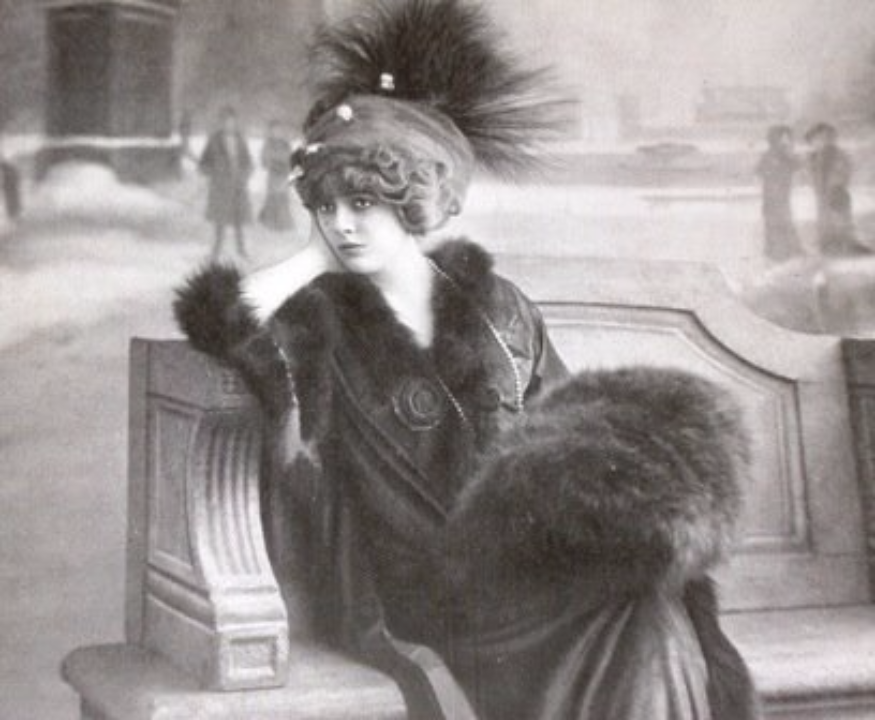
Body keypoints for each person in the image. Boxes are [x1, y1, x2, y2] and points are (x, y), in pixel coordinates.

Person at [174, 2, 759, 719]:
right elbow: (232, 331)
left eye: (364, 201)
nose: (343, 224)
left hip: (527, 572)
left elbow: (567, 438)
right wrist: (310, 262)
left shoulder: (503, 310)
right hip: (431, 596)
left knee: (650, 619)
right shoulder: (314, 322)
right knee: (639, 632)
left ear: (418, 202)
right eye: (326, 205)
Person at [199, 106, 254, 260]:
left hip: (238, 186)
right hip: (220, 188)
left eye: (231, 121)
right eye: (225, 121)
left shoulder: (240, 139)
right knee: (220, 221)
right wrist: (213, 172)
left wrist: (244, 176)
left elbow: (248, 162)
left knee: (239, 221)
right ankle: (216, 251)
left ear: (235, 122)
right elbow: (204, 163)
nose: (229, 124)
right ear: (221, 122)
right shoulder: (214, 140)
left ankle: (241, 250)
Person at [805, 122, 859, 255]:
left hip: (836, 191)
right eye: (817, 139)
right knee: (825, 218)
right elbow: (811, 174)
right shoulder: (813, 156)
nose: (822, 141)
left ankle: (844, 244)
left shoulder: (838, 154)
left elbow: (846, 170)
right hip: (822, 192)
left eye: (826, 137)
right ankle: (827, 244)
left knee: (840, 218)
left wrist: (838, 183)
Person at [755, 125, 801, 262]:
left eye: (787, 138)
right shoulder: (769, 155)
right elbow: (760, 171)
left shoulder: (786, 154)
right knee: (775, 220)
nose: (785, 141)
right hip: (772, 193)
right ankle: (776, 250)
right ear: (775, 139)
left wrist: (790, 152)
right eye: (782, 138)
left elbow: (797, 165)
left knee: (783, 219)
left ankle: (787, 249)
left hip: (782, 193)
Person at [258, 120, 295, 232]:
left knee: (283, 199)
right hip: (273, 176)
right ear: (270, 132)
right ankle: (270, 222)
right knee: (272, 199)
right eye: (274, 130)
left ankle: (283, 224)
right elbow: (264, 161)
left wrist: (287, 167)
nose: (277, 133)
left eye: (279, 130)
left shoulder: (286, 144)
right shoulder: (268, 144)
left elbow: (291, 160)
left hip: (284, 175)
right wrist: (272, 163)